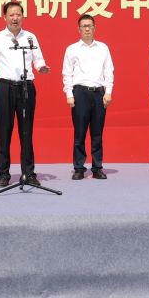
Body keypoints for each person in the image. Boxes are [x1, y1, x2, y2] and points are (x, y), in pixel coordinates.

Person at [0, 0, 50, 188]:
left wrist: (42, 68)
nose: (15, 18)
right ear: (4, 17)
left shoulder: (30, 37)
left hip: (26, 87)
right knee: (4, 132)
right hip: (5, 87)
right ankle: (3, 174)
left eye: (18, 14)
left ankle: (28, 173)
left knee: (26, 132)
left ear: (23, 16)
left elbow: (38, 60)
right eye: (11, 15)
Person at [61, 14, 114, 180]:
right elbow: (67, 73)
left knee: (97, 134)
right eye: (84, 26)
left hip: (99, 93)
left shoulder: (103, 48)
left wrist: (108, 91)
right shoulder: (72, 49)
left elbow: (109, 70)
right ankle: (79, 168)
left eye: (90, 26)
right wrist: (69, 94)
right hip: (80, 93)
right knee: (80, 133)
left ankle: (97, 167)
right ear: (79, 29)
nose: (87, 29)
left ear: (94, 28)